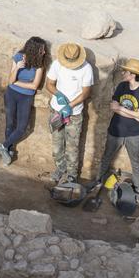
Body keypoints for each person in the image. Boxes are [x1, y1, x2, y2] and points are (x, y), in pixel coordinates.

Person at [93, 59, 139, 197]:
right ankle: (98, 181)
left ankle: (138, 189)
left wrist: (123, 109)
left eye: (125, 71)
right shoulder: (122, 86)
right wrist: (135, 116)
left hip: (134, 134)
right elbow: (113, 107)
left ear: (133, 74)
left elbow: (125, 109)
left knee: (136, 162)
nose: (123, 73)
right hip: (116, 130)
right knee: (106, 157)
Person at [44, 42, 94, 184]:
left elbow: (86, 92)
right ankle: (60, 168)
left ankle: (72, 174)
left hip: (74, 114)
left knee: (72, 146)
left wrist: (70, 106)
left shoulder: (86, 68)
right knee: (56, 145)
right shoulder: (57, 64)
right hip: (56, 111)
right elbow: (49, 84)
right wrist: (58, 94)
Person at [0, 36, 47, 166]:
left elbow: (34, 86)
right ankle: (8, 150)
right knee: (10, 124)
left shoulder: (40, 66)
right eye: (42, 50)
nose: (44, 52)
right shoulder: (18, 57)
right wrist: (17, 68)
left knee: (21, 127)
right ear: (34, 50)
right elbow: (10, 80)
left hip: (26, 97)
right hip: (11, 94)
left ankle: (3, 146)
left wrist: (16, 83)